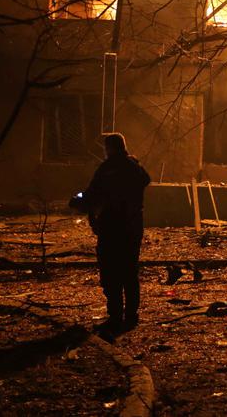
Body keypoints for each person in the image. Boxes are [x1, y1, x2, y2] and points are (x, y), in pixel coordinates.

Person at [79, 133, 151, 335]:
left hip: (111, 227)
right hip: (132, 227)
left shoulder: (107, 168)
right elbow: (146, 180)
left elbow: (91, 193)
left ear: (109, 148)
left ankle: (116, 315)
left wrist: (78, 200)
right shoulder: (134, 167)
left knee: (111, 272)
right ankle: (131, 315)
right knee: (129, 271)